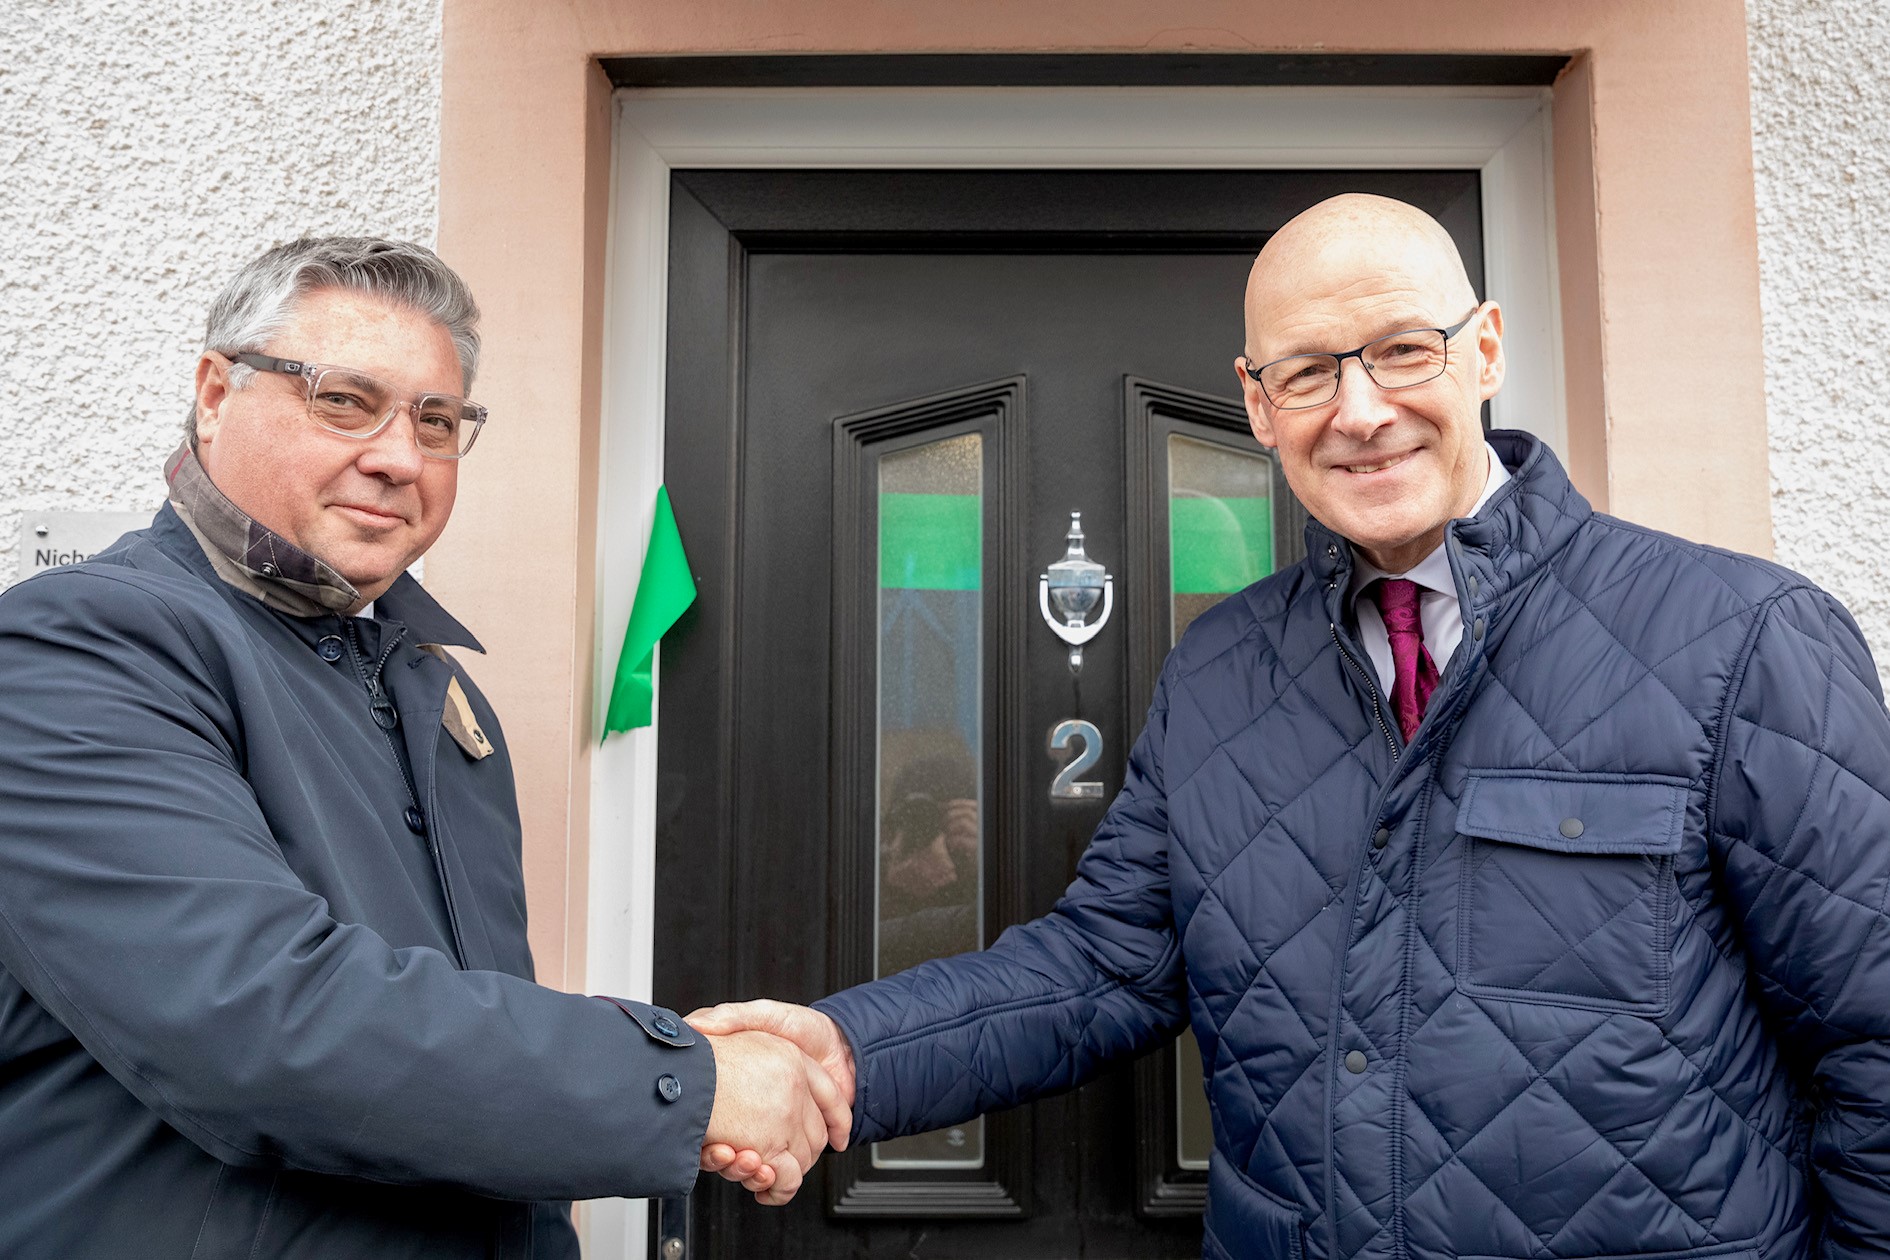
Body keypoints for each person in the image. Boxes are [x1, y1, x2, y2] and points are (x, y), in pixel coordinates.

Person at [690, 194, 1890, 1255]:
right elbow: (1104, 964)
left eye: (1402, 352)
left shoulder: (1743, 638)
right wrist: (840, 1056)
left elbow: (1872, 1045)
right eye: (1310, 373)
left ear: (1486, 350)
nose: (1360, 411)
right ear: (1258, 406)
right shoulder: (1222, 671)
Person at [0, 237, 847, 1259]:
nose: (400, 456)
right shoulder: (79, 646)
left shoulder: (438, 694)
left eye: (436, 422)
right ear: (215, 393)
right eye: (344, 400)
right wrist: (688, 1081)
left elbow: (448, 1052)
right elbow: (260, 1025)